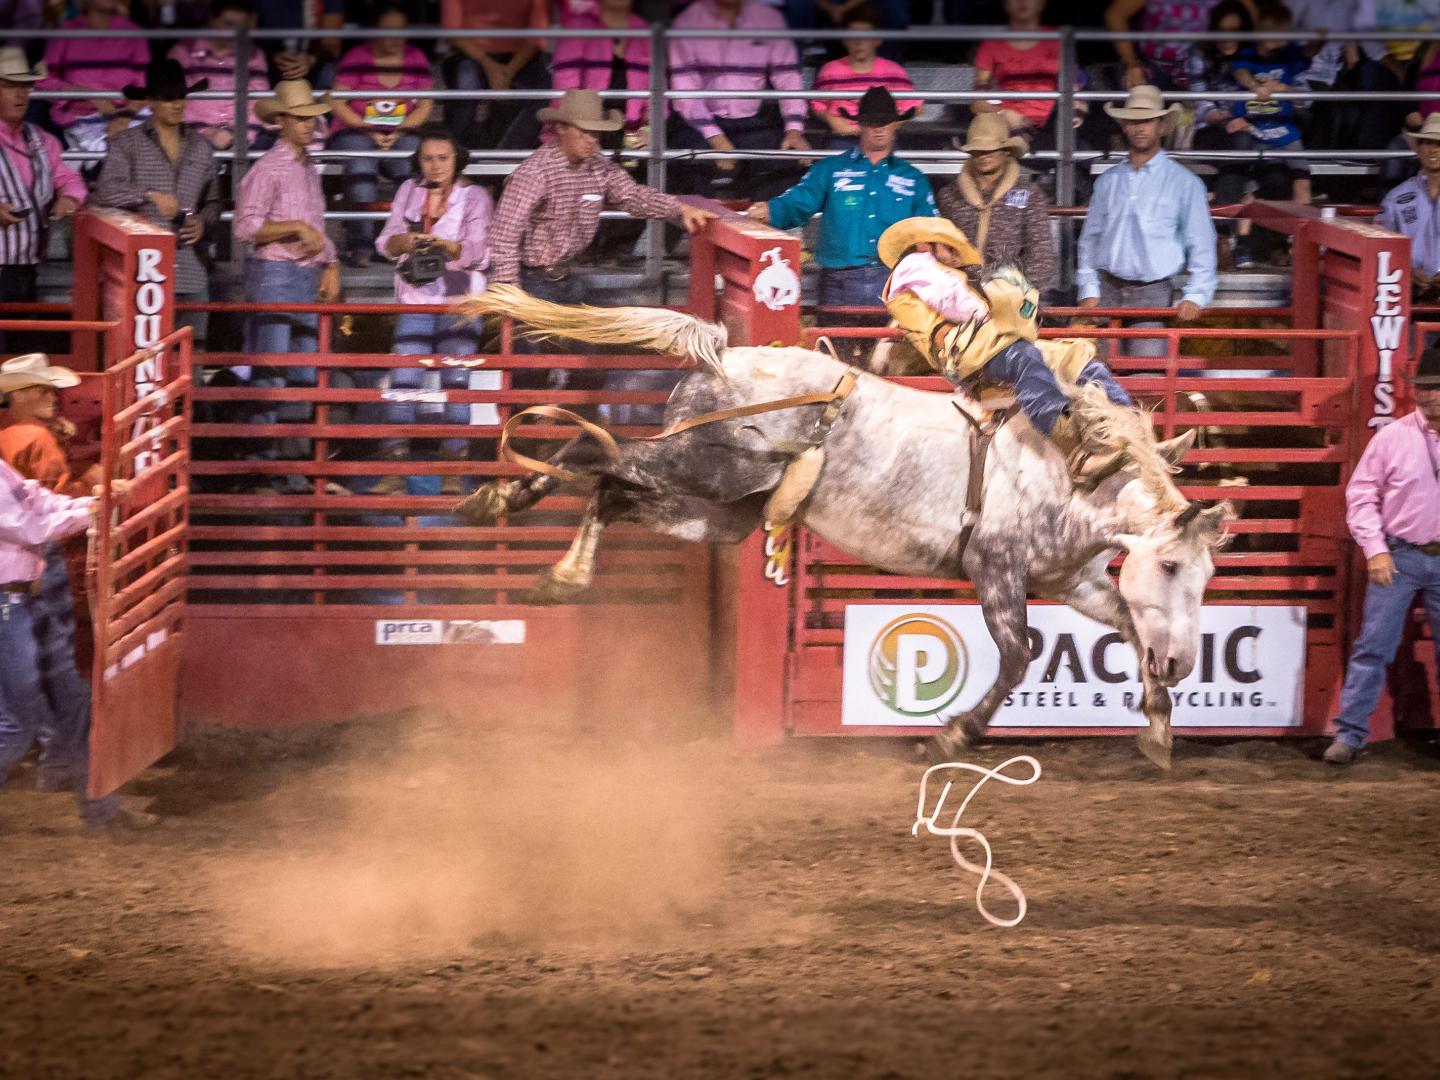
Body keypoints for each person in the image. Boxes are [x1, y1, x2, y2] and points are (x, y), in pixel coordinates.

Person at [878, 216, 1145, 486]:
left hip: (983, 343)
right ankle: (1071, 446)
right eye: (951, 249)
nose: (957, 257)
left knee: (1076, 356)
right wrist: (993, 308)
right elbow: (952, 300)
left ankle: (1133, 435)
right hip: (966, 350)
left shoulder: (928, 272)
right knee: (1025, 358)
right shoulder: (914, 267)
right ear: (925, 246)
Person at [0, 360, 151, 830]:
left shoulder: (10, 448)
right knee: (23, 715)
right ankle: (91, 801)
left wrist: (93, 500)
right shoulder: (30, 441)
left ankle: (94, 803)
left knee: (46, 705)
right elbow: (32, 519)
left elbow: (38, 501)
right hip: (17, 591)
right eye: (42, 391)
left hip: (23, 590)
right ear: (19, 395)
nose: (53, 398)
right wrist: (95, 498)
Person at [1323, 349, 1440, 764]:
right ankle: (1350, 734)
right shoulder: (1393, 437)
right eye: (1426, 388)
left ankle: (1351, 734)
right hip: (1399, 556)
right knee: (1373, 645)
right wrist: (1375, 549)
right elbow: (1361, 496)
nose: (1431, 396)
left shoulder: (1397, 436)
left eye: (1437, 388)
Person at [488, 89, 714, 302]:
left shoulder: (598, 166)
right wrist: (509, 287)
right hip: (533, 279)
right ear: (561, 129)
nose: (592, 140)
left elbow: (632, 195)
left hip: (568, 273)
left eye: (595, 133)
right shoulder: (535, 174)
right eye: (584, 132)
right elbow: (505, 234)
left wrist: (679, 208)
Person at [370, 125, 495, 496]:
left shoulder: (475, 197)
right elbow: (384, 243)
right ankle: (394, 471)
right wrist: (403, 241)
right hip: (415, 299)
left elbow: (480, 251)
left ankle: (455, 473)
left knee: (456, 386)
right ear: (418, 160)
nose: (436, 166)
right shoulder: (408, 190)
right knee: (403, 385)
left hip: (460, 303)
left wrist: (446, 247)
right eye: (428, 158)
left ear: (457, 160)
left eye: (443, 158)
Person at [233, 80, 343, 496]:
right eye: (299, 118)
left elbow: (313, 224)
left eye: (310, 117)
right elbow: (246, 226)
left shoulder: (306, 167)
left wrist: (329, 260)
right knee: (271, 374)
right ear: (282, 121)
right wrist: (296, 228)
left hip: (300, 274)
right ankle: (263, 468)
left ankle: (292, 471)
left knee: (299, 373)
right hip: (276, 274)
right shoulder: (268, 168)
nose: (307, 125)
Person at [747, 87, 935, 320]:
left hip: (894, 278)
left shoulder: (913, 179)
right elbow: (800, 201)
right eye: (871, 123)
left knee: (886, 353)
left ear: (895, 125)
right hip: (838, 278)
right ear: (860, 125)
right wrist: (771, 210)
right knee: (833, 349)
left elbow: (930, 228)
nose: (879, 129)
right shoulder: (831, 169)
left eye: (885, 123)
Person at [1075, 85, 1217, 358]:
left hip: (1153, 290)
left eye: (1147, 121)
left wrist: (1196, 293)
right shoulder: (1108, 181)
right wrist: (1089, 287)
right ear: (1125, 127)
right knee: (1096, 375)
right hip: (1108, 288)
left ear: (1161, 127)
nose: (1140, 128)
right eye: (1133, 121)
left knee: (1147, 374)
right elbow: (1090, 238)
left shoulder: (1184, 183)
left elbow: (1201, 242)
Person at [90, 60, 221, 348]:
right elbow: (105, 192)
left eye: (181, 97)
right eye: (168, 98)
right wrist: (148, 194)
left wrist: (202, 221)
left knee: (192, 358)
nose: (177, 104)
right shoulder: (127, 143)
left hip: (190, 269)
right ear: (151, 101)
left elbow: (213, 202)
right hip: (142, 272)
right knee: (142, 358)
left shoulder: (201, 147)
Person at [667, 0, 812, 199]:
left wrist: (794, 129)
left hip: (753, 121)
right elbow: (685, 90)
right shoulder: (687, 22)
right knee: (687, 160)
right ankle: (704, 226)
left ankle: (759, 223)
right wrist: (716, 138)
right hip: (699, 124)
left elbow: (787, 77)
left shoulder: (769, 19)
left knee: (792, 159)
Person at [327, 4, 434, 267]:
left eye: (399, 31)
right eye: (387, 31)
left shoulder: (416, 57)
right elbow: (337, 101)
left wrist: (400, 129)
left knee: (411, 162)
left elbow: (426, 105)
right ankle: (360, 245)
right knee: (362, 163)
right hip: (356, 129)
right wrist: (368, 128)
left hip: (402, 131)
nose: (393, 37)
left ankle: (395, 242)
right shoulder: (357, 56)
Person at [0, 48, 85, 354]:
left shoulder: (41, 139)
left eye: (24, 86)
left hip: (27, 263)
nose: (20, 94)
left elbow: (69, 178)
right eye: (10, 86)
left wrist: (70, 199)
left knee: (18, 346)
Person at [936, 113, 1057, 289]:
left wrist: (1020, 293)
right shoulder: (949, 196)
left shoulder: (1029, 195)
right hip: (959, 294)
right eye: (978, 150)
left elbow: (1041, 253)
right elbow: (940, 248)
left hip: (1012, 294)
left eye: (989, 149)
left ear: (1005, 151)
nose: (984, 156)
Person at [1227, 4, 1312, 213]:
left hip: (1287, 133)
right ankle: (1242, 241)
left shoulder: (1289, 55)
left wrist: (1281, 88)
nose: (1281, 41)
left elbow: (1301, 95)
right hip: (1254, 132)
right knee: (1250, 191)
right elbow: (1240, 73)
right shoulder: (1246, 54)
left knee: (1302, 181)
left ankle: (1302, 239)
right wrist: (1256, 87)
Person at [37, 0, 150, 154]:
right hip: (81, 119)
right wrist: (89, 94)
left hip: (130, 114)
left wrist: (124, 118)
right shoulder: (66, 33)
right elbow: (43, 81)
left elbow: (146, 85)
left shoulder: (133, 33)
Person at [441, 0, 551, 149]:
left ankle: (509, 157)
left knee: (542, 85)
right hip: (469, 55)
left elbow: (536, 35)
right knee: (467, 80)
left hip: (516, 57)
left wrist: (509, 71)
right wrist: (490, 67)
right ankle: (451, 149)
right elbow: (452, 31)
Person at [168, 0, 272, 152]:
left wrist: (243, 135)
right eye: (228, 23)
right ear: (212, 19)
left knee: (269, 147)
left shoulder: (254, 55)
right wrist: (206, 132)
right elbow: (172, 104)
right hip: (195, 133)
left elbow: (259, 101)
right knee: (200, 154)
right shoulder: (182, 52)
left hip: (244, 134)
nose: (234, 32)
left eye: (240, 26)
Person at [809, 8, 920, 148]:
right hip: (844, 139)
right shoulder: (830, 70)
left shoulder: (893, 71)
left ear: (877, 40)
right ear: (845, 40)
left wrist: (891, 125)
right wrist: (831, 119)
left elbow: (916, 105)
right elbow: (816, 105)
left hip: (880, 141)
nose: (859, 43)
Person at [550, 0, 654, 151]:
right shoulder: (578, 26)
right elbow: (565, 95)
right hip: (582, 133)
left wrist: (649, 131)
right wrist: (587, 136)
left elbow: (657, 96)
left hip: (630, 137)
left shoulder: (645, 31)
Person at [1377, 114, 1440, 303]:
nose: (1433, 150)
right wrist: (1406, 270)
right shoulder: (1396, 198)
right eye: (1427, 143)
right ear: (1418, 149)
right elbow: (1380, 245)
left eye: (1438, 144)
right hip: (1409, 295)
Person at [1105, 0, 1221, 91]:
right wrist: (1132, 63)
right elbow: (1115, 15)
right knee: (1135, 91)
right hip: (1154, 64)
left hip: (1204, 67)